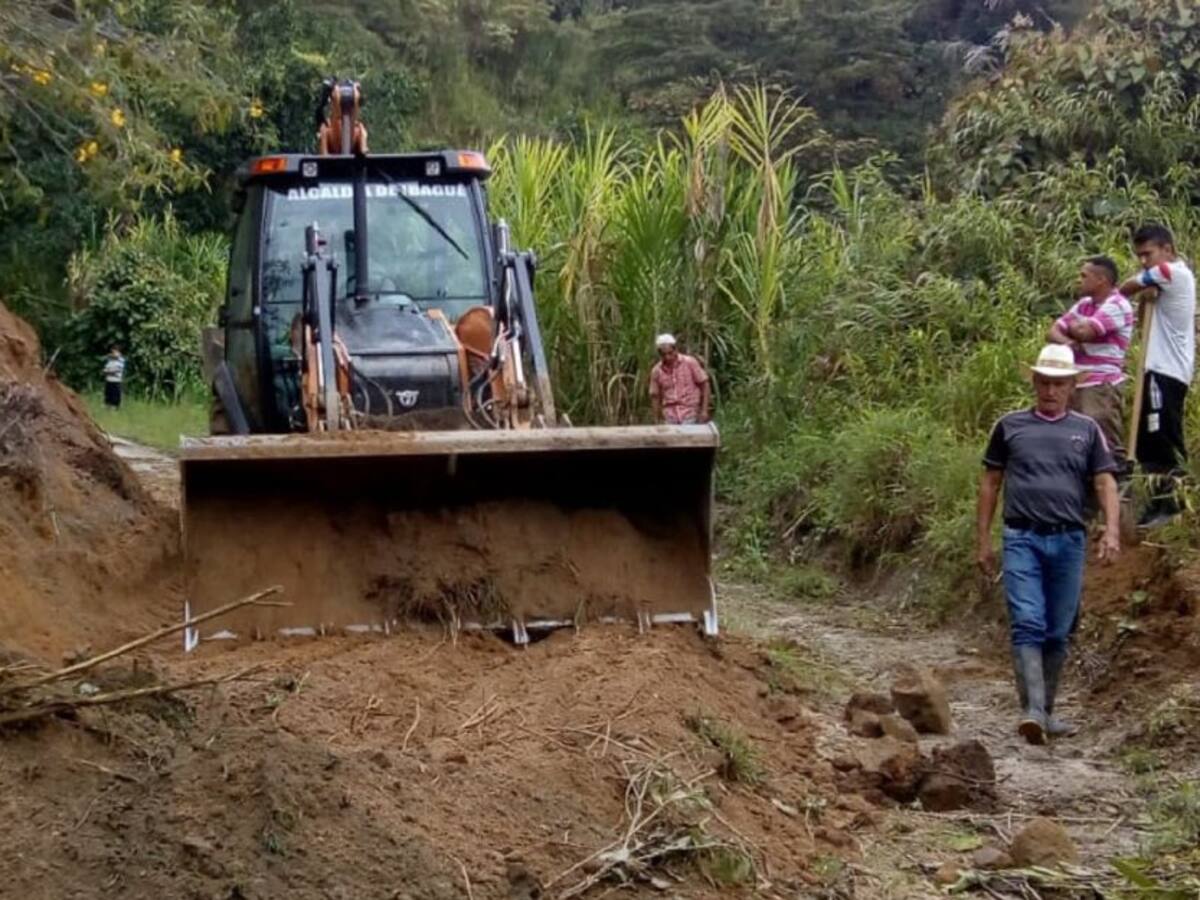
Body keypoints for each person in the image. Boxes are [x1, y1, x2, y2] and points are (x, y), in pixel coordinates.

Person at [976, 344, 1120, 745]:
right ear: (1035, 383)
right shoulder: (1009, 427)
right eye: (1044, 382)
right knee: (1028, 622)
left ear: (1073, 386)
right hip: (1022, 536)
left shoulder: (1088, 431)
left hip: (1068, 540)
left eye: (1058, 383)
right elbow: (990, 483)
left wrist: (1112, 530)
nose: (1050, 390)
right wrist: (983, 541)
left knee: (1059, 629)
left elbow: (1105, 481)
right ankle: (1033, 711)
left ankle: (1047, 712)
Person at [1117, 224, 1196, 528]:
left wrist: (1138, 288)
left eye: (1147, 254)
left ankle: (1173, 503)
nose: (1143, 261)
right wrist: (1144, 296)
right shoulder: (1169, 278)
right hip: (1162, 370)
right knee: (1150, 438)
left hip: (1166, 370)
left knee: (1162, 436)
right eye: (1139, 256)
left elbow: (1124, 288)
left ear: (1166, 249)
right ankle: (1158, 502)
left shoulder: (1172, 272)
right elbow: (1141, 323)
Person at [1047, 256, 1134, 471]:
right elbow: (1052, 332)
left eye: (1084, 276)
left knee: (1101, 439)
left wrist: (1076, 329)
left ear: (1101, 280)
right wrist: (1070, 341)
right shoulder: (1085, 305)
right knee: (1073, 440)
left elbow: (1085, 333)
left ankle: (1112, 491)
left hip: (1101, 382)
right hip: (1077, 379)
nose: (1079, 280)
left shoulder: (1118, 304)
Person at [649, 334, 710, 425]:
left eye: (670, 353)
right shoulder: (656, 371)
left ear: (676, 350)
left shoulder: (690, 363)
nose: (668, 357)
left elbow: (704, 384)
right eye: (664, 355)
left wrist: (704, 411)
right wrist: (656, 419)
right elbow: (655, 396)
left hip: (690, 412)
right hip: (669, 415)